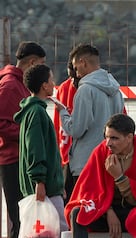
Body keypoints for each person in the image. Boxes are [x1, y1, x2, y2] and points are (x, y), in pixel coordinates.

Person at [13, 64, 68, 238]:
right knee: (58, 229)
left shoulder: (31, 111)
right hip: (44, 185)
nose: (54, 83)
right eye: (51, 79)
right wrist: (40, 180)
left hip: (42, 184)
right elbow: (36, 149)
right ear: (44, 85)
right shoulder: (37, 113)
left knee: (39, 232)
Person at [0, 41, 46, 238]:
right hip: (12, 160)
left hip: (17, 159)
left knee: (22, 218)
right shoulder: (10, 86)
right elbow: (3, 124)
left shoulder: (15, 84)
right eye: (40, 65)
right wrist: (29, 132)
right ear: (31, 62)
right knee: (20, 219)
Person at [54, 43, 124, 181]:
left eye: (75, 67)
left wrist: (63, 113)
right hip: (110, 162)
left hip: (86, 162)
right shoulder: (116, 90)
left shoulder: (85, 90)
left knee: (86, 203)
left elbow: (76, 129)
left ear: (83, 62)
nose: (76, 73)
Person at [53, 59, 80, 203]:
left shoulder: (95, 90)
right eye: (71, 77)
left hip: (87, 157)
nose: (74, 81)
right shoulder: (63, 89)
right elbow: (57, 126)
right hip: (67, 158)